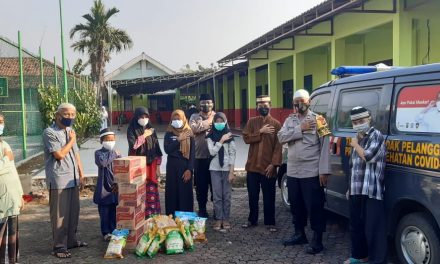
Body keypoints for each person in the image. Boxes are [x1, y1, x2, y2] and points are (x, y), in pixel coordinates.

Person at [278, 89, 331, 254]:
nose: (299, 104)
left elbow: (325, 147)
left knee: (315, 207)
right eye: (296, 101)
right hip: (293, 171)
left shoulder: (319, 120)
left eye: (303, 101)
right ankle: (299, 234)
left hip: (311, 172)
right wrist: (300, 129)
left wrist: (324, 171)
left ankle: (317, 240)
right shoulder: (290, 120)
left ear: (308, 102)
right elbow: (281, 137)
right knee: (296, 205)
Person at [42, 103, 87, 259]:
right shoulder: (49, 132)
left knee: (73, 212)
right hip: (59, 178)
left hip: (72, 178)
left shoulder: (70, 131)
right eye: (67, 114)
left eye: (73, 114)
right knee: (60, 215)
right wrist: (72, 140)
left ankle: (72, 241)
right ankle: (59, 246)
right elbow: (59, 155)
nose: (70, 117)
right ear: (58, 115)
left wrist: (81, 174)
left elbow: (76, 154)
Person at [344, 106, 387, 264]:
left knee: (374, 229)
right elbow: (353, 165)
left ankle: (377, 260)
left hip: (371, 189)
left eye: (361, 120)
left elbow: (369, 157)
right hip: (356, 188)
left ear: (369, 119)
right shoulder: (358, 136)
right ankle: (360, 256)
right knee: (356, 225)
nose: (358, 124)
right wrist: (349, 187)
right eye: (355, 121)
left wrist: (355, 145)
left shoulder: (376, 135)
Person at [242, 95, 282, 232]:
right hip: (252, 167)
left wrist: (274, 165)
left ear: (270, 105)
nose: (262, 107)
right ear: (256, 107)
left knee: (269, 196)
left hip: (268, 168)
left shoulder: (276, 124)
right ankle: (252, 220)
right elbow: (246, 138)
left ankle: (270, 222)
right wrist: (260, 131)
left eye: (265, 104)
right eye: (260, 105)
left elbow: (278, 147)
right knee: (252, 196)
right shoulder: (252, 122)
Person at [127, 107, 163, 218]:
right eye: (141, 117)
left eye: (146, 117)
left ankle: (152, 215)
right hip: (138, 165)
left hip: (151, 165)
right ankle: (140, 216)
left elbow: (157, 148)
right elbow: (134, 146)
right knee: (139, 189)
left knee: (151, 188)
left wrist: (158, 166)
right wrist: (144, 136)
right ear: (136, 117)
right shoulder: (132, 129)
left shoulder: (151, 129)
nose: (143, 119)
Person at [0, 113, 24, 264]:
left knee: (12, 235)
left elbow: (13, 171)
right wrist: (6, 159)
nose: (0, 125)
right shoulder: (6, 151)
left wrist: (20, 194)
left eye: (1, 121)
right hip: (1, 202)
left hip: (12, 200)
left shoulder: (5, 145)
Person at [206, 112, 236, 231]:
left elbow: (233, 154)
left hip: (227, 169)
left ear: (225, 122)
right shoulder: (209, 136)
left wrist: (232, 171)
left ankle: (226, 218)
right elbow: (212, 152)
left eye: (221, 121)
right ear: (213, 122)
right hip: (214, 169)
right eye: (217, 121)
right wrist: (221, 141)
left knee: (227, 195)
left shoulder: (230, 136)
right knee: (217, 196)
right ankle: (218, 218)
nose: (219, 123)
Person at [164, 110, 195, 215]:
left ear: (184, 119)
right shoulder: (168, 133)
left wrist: (189, 169)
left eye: (179, 119)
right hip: (172, 168)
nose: (176, 121)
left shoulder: (189, 133)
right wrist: (178, 140)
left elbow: (192, 154)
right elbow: (167, 149)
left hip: (184, 167)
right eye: (174, 119)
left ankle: (185, 220)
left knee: (184, 194)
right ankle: (172, 219)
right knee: (172, 193)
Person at [190, 94, 215, 217]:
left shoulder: (218, 116)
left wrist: (201, 126)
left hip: (214, 158)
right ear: (199, 104)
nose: (206, 105)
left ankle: (217, 208)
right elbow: (193, 129)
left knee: (215, 185)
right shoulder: (194, 116)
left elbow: (224, 132)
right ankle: (202, 209)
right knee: (200, 185)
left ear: (213, 104)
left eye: (209, 102)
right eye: (203, 102)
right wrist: (209, 123)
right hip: (199, 158)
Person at [94, 128, 121, 241]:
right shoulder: (98, 153)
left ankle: (113, 229)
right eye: (107, 139)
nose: (110, 142)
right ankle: (106, 232)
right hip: (103, 187)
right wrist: (114, 154)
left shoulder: (117, 153)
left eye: (112, 139)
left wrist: (118, 183)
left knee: (114, 210)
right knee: (104, 211)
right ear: (102, 141)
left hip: (114, 186)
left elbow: (120, 168)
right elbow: (103, 163)